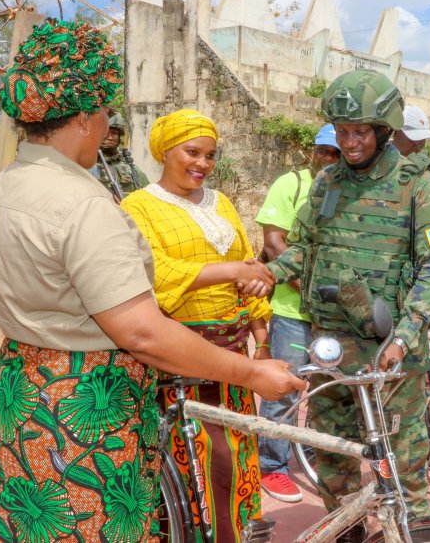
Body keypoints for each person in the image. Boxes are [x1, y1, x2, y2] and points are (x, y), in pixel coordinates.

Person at [0, 19, 303, 542]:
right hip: (83, 407)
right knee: (93, 524)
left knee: (28, 523)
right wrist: (251, 374)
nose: (107, 126)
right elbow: (140, 331)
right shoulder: (83, 204)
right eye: (104, 114)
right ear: (83, 119)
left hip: (20, 389)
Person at [267, 70, 430, 538]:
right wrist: (268, 274)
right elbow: (304, 248)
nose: (350, 142)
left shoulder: (417, 184)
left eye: (359, 132)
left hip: (391, 347)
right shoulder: (327, 180)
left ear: (384, 130)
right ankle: (347, 531)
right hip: (329, 344)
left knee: (404, 462)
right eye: (343, 132)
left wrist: (408, 333)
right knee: (335, 456)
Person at [120, 108, 280, 542]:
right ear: (163, 151)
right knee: (198, 454)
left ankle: (240, 532)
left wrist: (261, 336)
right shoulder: (139, 205)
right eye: (192, 152)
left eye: (210, 156)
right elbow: (156, 271)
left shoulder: (221, 202)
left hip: (236, 350)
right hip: (184, 356)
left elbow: (246, 260)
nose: (202, 164)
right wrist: (230, 271)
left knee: (240, 448)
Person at [254, 123, 341, 503]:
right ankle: (272, 466)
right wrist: (310, 292)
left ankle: (311, 453)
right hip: (293, 310)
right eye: (325, 150)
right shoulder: (290, 184)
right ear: (314, 150)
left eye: (337, 154)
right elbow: (275, 245)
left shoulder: (347, 191)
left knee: (327, 389)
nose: (329, 159)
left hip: (335, 315)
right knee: (284, 388)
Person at [91, 112, 149, 200]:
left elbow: (148, 196)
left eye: (114, 133)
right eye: (106, 132)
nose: (110, 137)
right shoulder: (87, 165)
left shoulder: (131, 169)